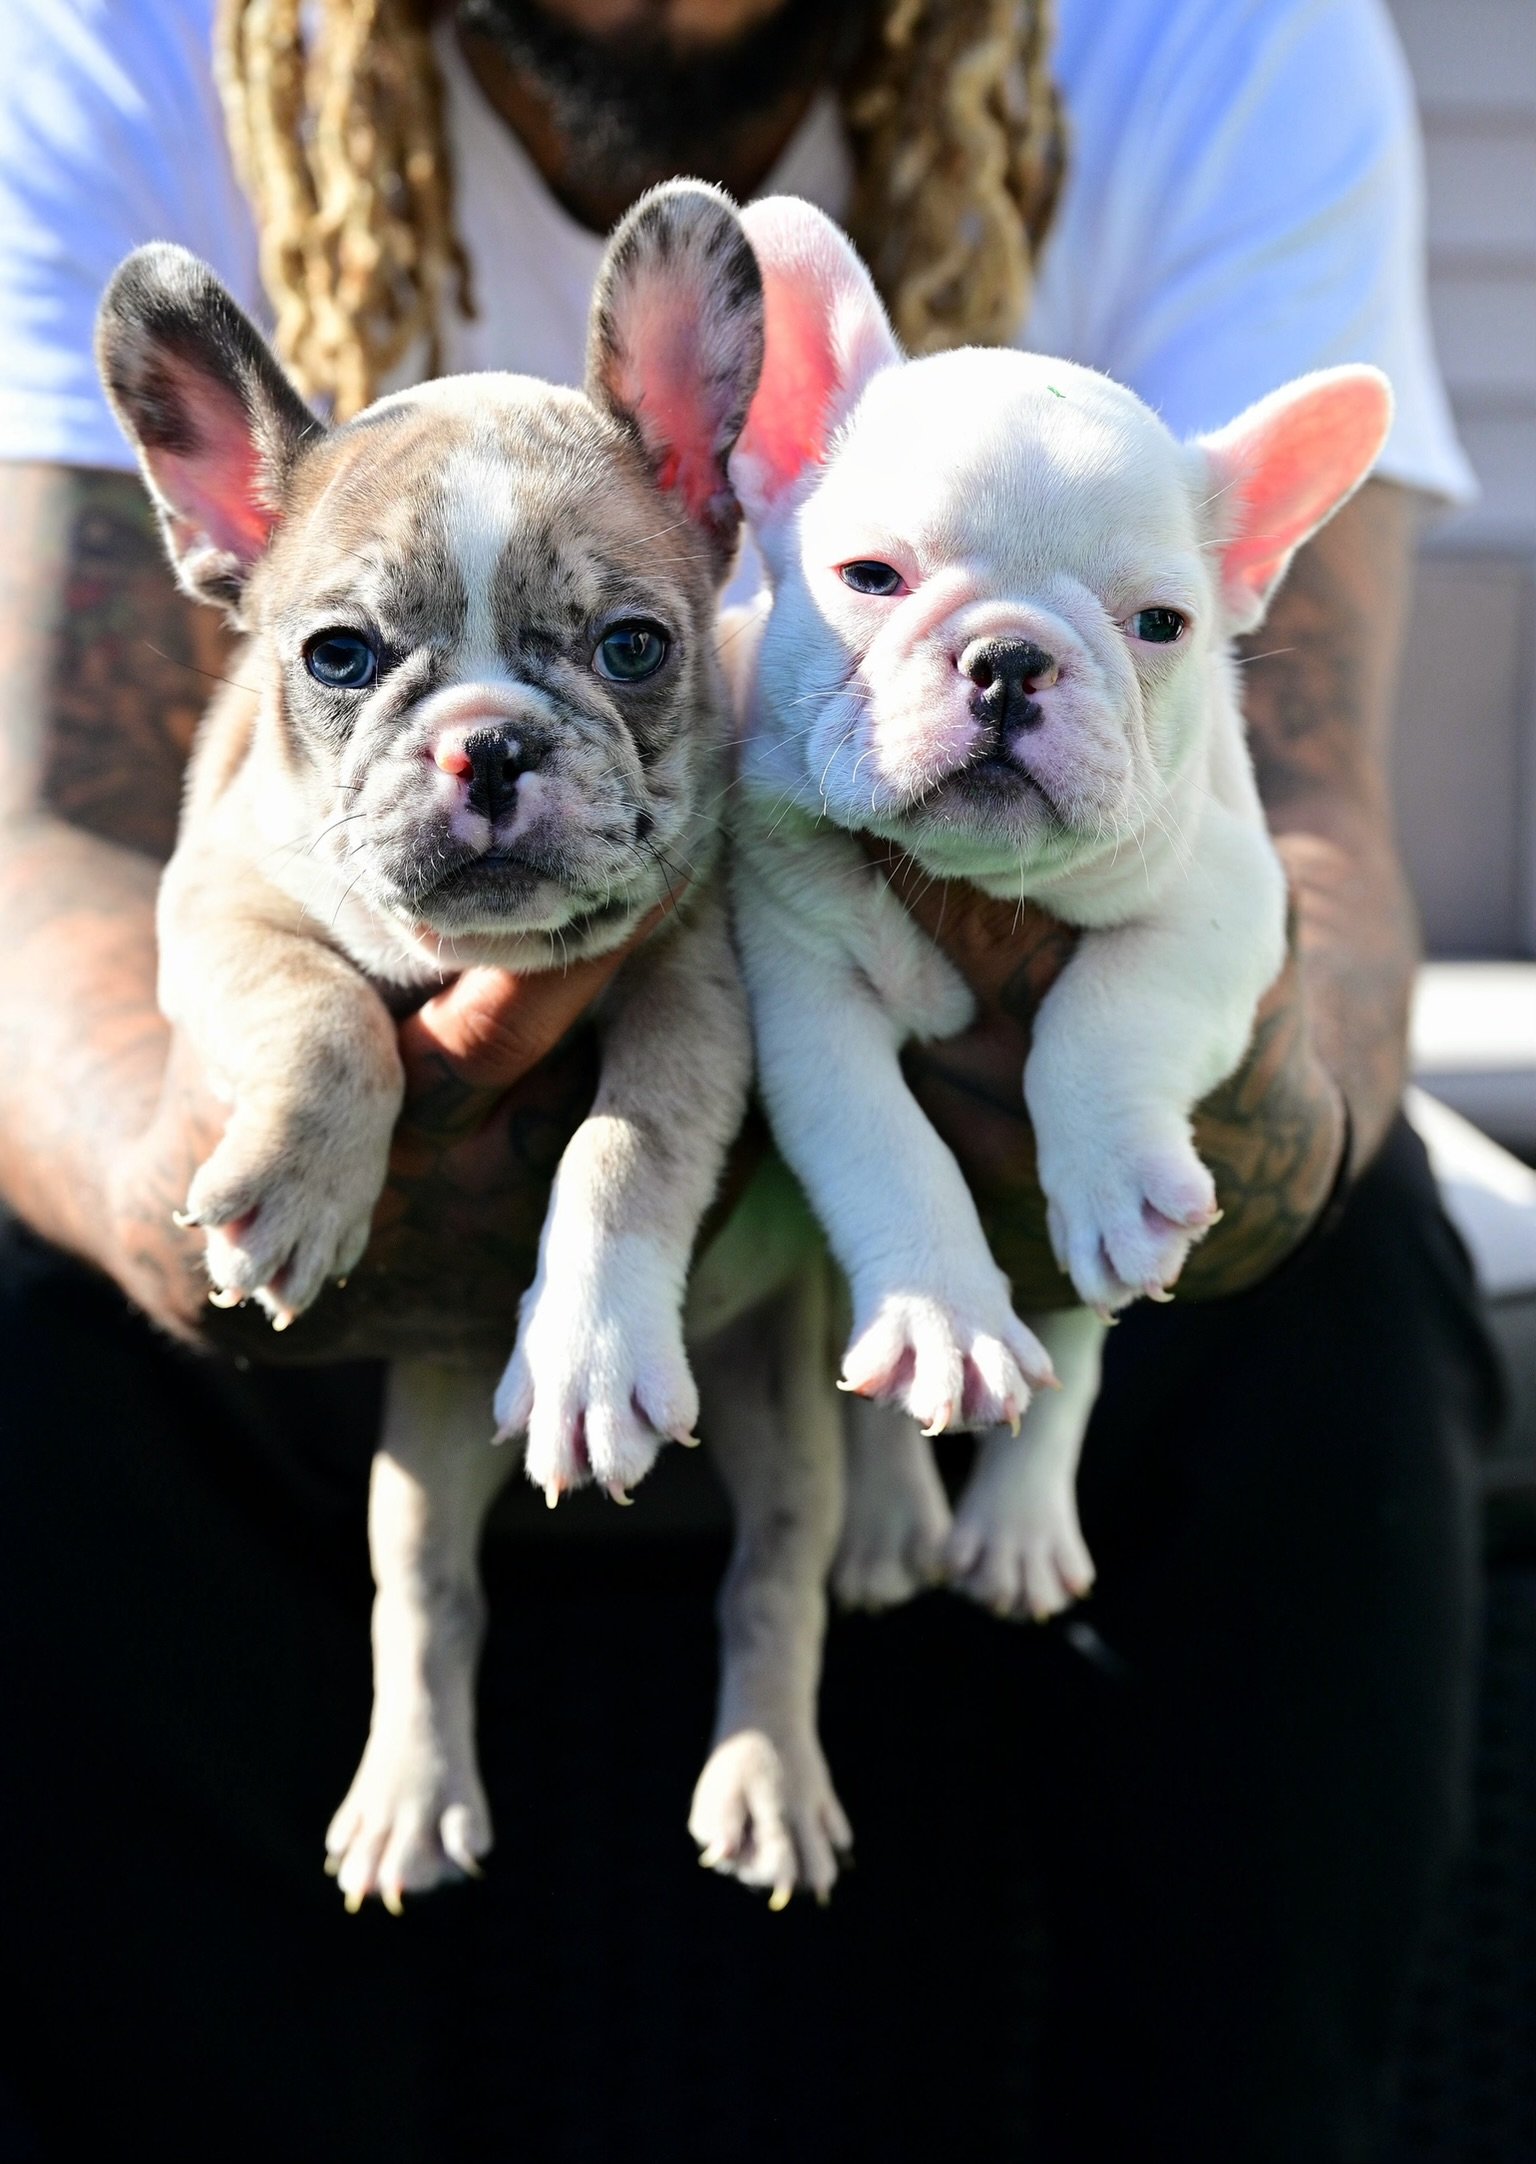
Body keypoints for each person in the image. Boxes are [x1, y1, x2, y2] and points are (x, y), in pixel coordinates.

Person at [0, 1, 1502, 2157]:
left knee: (1333, 1305)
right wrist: (205, 1177)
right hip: (327, 1071)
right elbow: (46, 828)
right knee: (49, 1333)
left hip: (978, 1092)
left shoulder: (1215, 36)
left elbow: (1315, 819)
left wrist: (1199, 1140)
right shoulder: (127, 38)